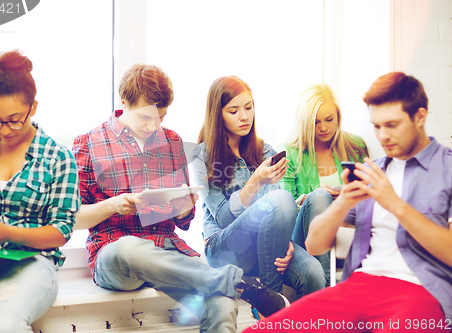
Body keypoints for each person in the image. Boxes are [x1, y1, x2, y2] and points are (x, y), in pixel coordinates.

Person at [71, 64, 290, 333]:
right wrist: (113, 205)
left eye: (160, 117)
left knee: (221, 301)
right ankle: (239, 282)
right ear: (124, 103)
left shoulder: (172, 141)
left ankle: (230, 286)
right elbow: (73, 218)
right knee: (129, 248)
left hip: (167, 249)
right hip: (114, 252)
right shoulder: (89, 142)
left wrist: (184, 206)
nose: (153, 126)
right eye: (145, 118)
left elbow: (184, 222)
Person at [243, 72, 452, 333]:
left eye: (392, 125)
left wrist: (394, 203)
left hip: (423, 288)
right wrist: (343, 201)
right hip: (359, 286)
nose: (382, 136)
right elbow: (313, 245)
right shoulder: (372, 170)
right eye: (377, 127)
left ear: (420, 117)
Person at [0, 50, 80, 333]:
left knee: (2, 325)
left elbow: (61, 231)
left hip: (31, 263)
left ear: (33, 107)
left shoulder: (58, 157)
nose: (5, 129)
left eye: (14, 119)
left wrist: (10, 233)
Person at [191, 76, 326, 315]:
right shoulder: (202, 157)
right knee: (279, 198)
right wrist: (255, 181)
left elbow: (280, 215)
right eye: (234, 110)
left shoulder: (265, 151)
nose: (244, 116)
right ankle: (270, 308)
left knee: (313, 273)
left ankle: (293, 323)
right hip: (226, 250)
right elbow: (223, 218)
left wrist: (286, 245)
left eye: (249, 107)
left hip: (266, 248)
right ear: (217, 113)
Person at [278, 83, 368, 285]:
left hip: (346, 228)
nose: (324, 127)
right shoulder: (290, 152)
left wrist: (346, 197)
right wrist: (313, 196)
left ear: (338, 117)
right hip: (306, 237)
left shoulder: (355, 147)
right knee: (320, 197)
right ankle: (327, 286)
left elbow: (368, 196)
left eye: (329, 119)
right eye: (316, 122)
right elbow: (284, 207)